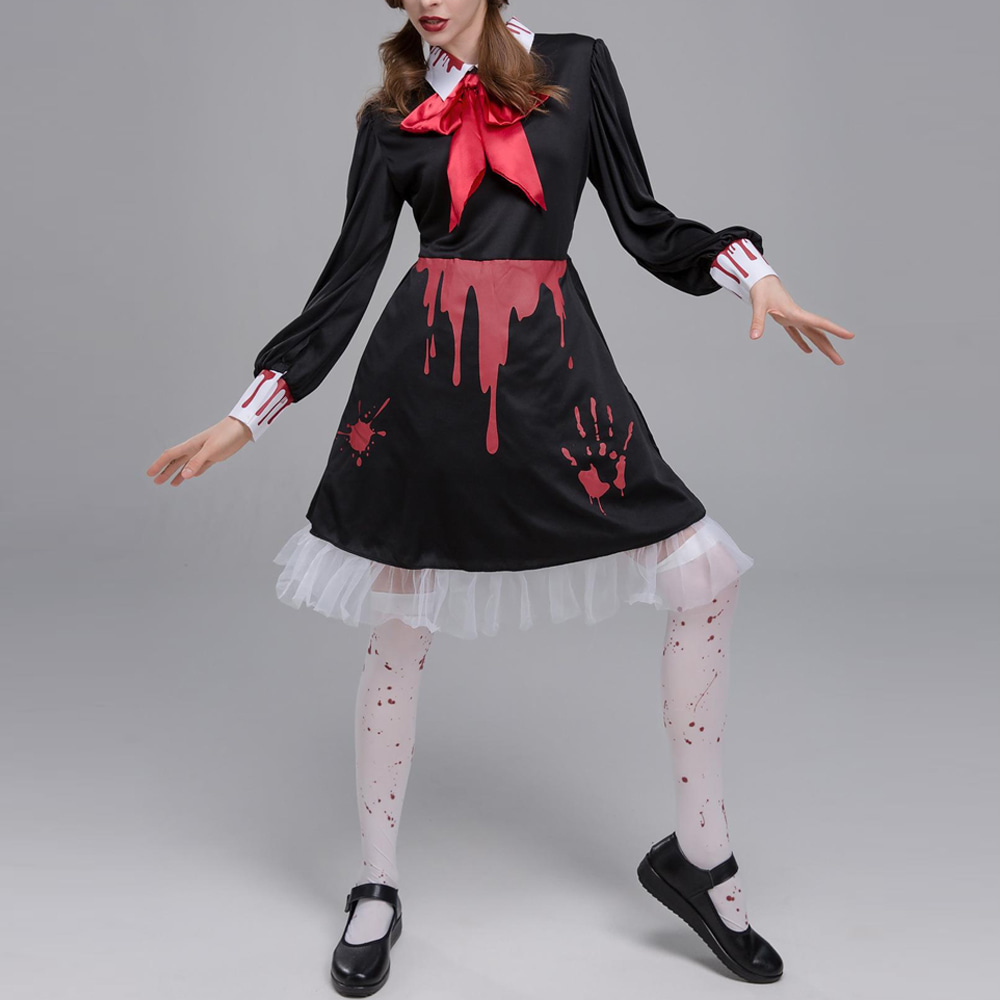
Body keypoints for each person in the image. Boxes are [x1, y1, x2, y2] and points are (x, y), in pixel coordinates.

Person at [147, 1, 854, 994]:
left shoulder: (577, 65)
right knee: (399, 621)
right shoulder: (392, 114)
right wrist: (250, 413)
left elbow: (643, 222)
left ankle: (701, 856)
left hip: (553, 368)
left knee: (702, 572)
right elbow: (346, 281)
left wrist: (751, 275)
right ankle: (376, 886)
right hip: (425, 380)